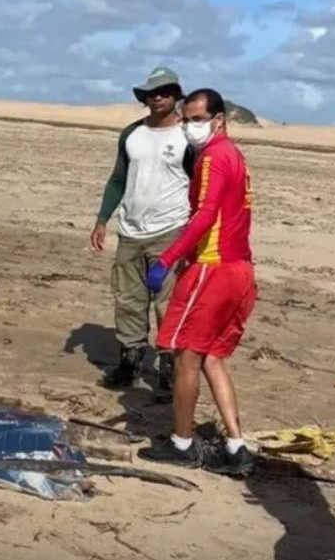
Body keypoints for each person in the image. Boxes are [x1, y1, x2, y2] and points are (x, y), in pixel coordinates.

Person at [136, 88, 257, 477]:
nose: (190, 127)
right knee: (212, 358)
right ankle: (236, 445)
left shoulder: (214, 157)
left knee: (186, 356)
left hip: (214, 270)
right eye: (187, 120)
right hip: (240, 269)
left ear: (219, 120)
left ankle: (183, 443)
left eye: (198, 120)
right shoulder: (234, 156)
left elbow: (204, 215)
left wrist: (168, 259)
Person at [91, 66, 195, 394]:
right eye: (152, 93)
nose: (158, 97)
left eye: (165, 92)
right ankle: (130, 361)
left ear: (176, 96)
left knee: (168, 301)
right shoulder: (132, 134)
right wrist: (102, 219)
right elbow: (118, 179)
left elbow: (200, 186)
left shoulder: (188, 137)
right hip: (130, 231)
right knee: (127, 298)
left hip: (171, 230)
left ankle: (168, 367)